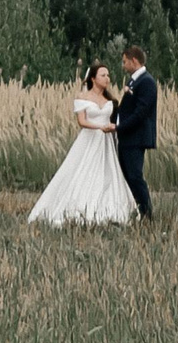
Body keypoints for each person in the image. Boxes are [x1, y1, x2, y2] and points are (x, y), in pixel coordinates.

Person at [26, 63, 138, 227]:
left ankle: (108, 207)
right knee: (83, 170)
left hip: (106, 141)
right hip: (90, 138)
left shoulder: (109, 100)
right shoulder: (82, 97)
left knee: (107, 173)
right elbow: (82, 121)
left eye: (108, 75)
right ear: (93, 78)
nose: (107, 78)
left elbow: (117, 119)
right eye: (103, 75)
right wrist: (100, 127)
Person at [108, 44, 159, 220]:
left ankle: (146, 213)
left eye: (124, 62)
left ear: (134, 60)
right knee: (127, 175)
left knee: (135, 175)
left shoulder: (147, 82)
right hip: (127, 137)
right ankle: (135, 210)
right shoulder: (134, 81)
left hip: (136, 138)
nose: (123, 66)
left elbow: (140, 113)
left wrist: (118, 127)